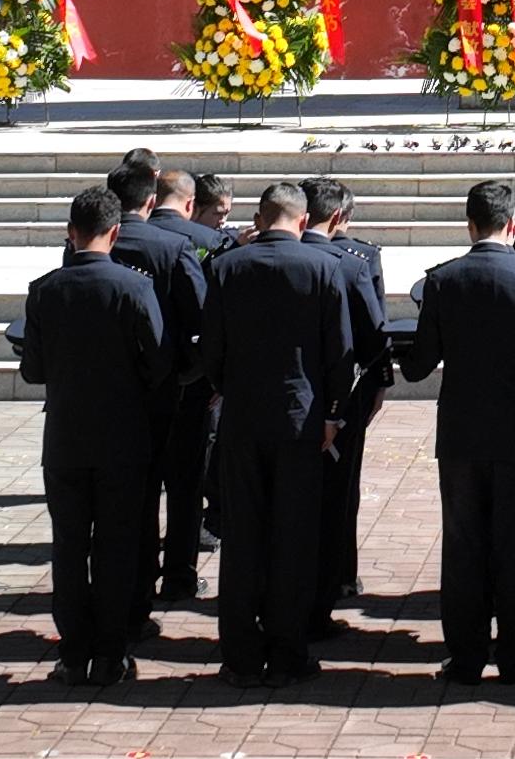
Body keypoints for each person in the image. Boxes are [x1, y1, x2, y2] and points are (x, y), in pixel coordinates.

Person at [404, 179, 515, 686]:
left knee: (463, 545)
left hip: (461, 430)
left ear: (469, 224)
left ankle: (466, 656)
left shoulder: (442, 280)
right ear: (514, 225)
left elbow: (420, 364)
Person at [199, 180, 355, 688]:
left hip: (243, 417)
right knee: (294, 537)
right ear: (304, 221)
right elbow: (340, 351)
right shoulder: (324, 266)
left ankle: (241, 655)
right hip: (301, 419)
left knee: (243, 538)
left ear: (260, 218)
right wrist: (333, 414)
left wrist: (230, 388)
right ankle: (288, 652)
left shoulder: (226, 267)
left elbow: (212, 348)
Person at [18, 185, 166, 689]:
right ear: (116, 233)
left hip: (66, 438)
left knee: (69, 547)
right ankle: (110, 654)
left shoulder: (45, 289)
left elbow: (33, 370)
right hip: (123, 436)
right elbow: (158, 363)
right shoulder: (134, 287)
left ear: (70, 232)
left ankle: (73, 652)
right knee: (116, 547)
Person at [112, 165, 209, 613]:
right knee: (184, 484)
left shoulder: (92, 244)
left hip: (114, 387)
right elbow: (201, 316)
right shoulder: (173, 247)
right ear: (150, 201)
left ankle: (134, 577)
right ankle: (178, 576)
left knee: (133, 489)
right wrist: (197, 373)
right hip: (173, 385)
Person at [302, 177, 390, 630]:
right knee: (338, 491)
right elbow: (375, 335)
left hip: (280, 399)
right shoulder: (354, 262)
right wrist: (379, 384)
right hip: (341, 395)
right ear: (338, 217)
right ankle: (332, 581)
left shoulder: (250, 257)